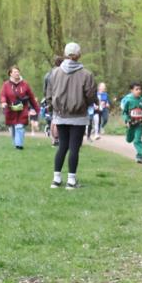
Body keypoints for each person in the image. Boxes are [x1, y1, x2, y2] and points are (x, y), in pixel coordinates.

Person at [46, 42, 96, 188]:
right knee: (74, 147)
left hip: (60, 115)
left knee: (62, 146)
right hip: (79, 116)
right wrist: (87, 104)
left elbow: (49, 94)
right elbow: (91, 95)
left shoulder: (54, 73)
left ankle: (56, 179)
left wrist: (53, 109)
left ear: (65, 54)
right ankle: (71, 181)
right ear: (79, 55)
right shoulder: (86, 74)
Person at [0, 67, 39, 150]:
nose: (17, 73)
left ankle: (19, 145)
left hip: (22, 109)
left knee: (19, 126)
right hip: (11, 110)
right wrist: (3, 102)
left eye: (18, 72)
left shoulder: (25, 84)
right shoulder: (6, 85)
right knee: (13, 128)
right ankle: (16, 143)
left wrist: (37, 109)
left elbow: (31, 97)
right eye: (15, 72)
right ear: (10, 74)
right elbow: (3, 95)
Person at [121, 82, 142, 164]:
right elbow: (124, 112)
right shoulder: (128, 101)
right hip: (131, 124)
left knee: (137, 140)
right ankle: (128, 135)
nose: (139, 91)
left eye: (140, 89)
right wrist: (127, 120)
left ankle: (139, 155)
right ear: (131, 90)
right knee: (129, 140)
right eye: (136, 89)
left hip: (140, 124)